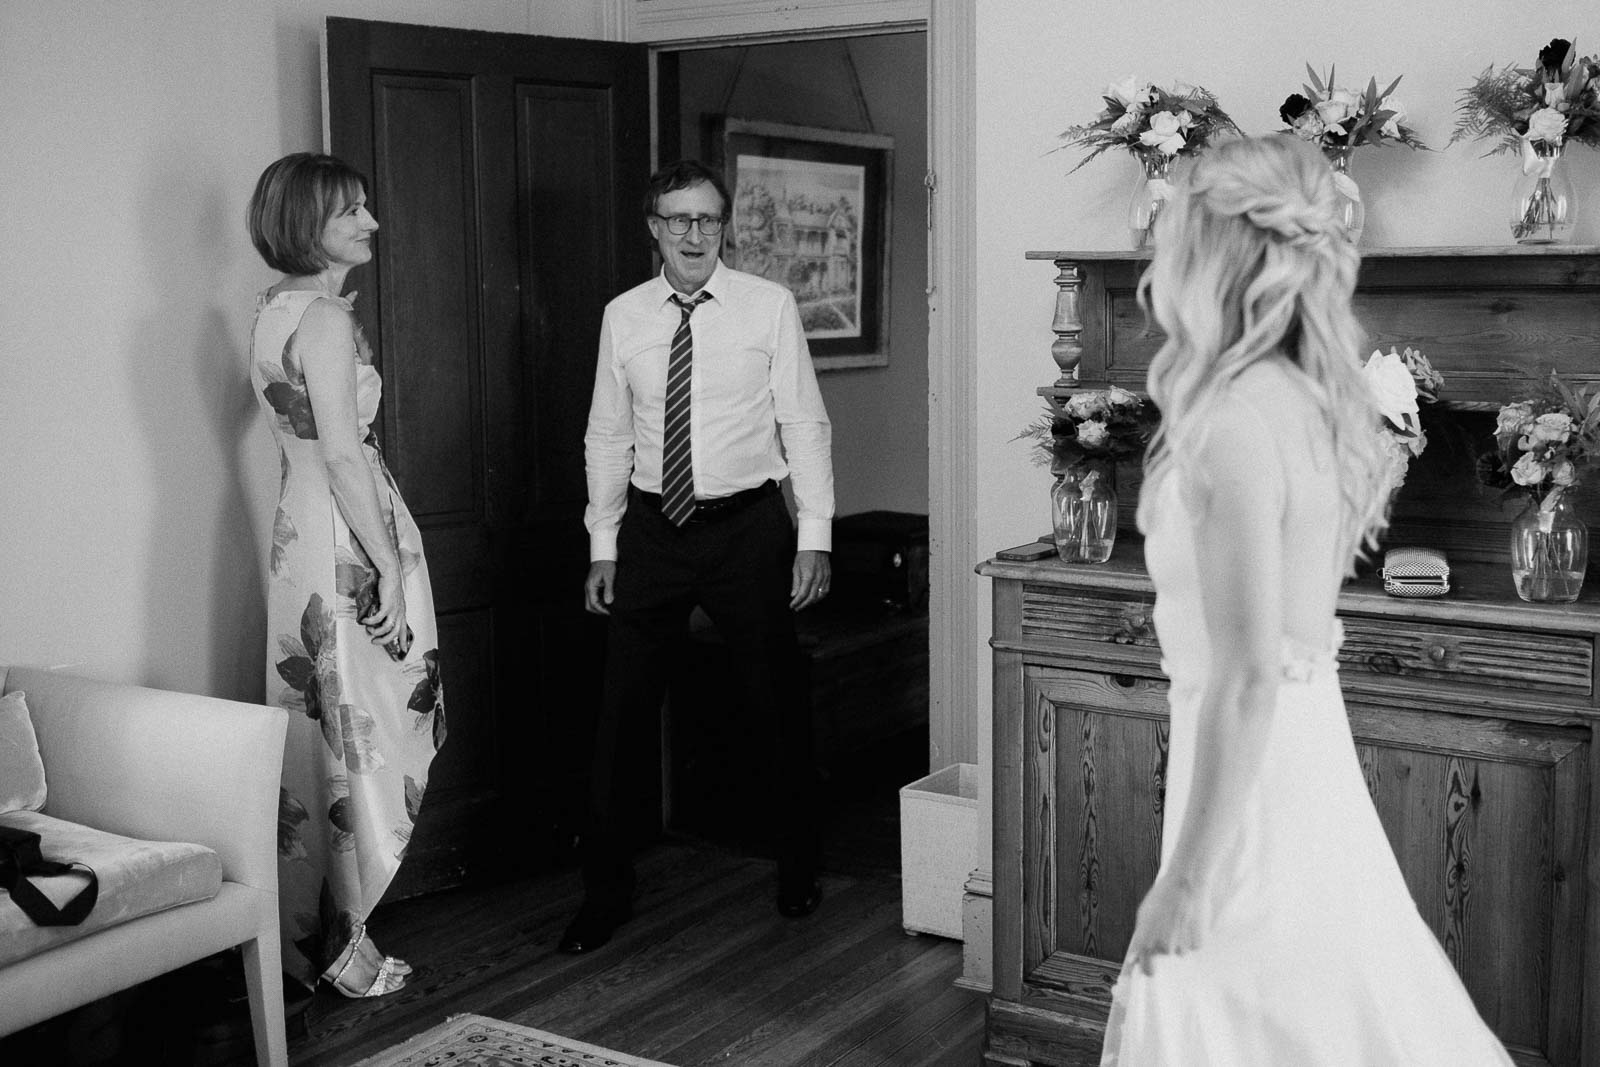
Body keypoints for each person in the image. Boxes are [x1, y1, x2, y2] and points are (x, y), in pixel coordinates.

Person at [1100, 135, 1512, 1065]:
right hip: (1298, 749)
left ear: (1219, 252)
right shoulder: (1308, 399)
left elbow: (1247, 676)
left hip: (1258, 779)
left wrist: (1187, 879)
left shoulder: (1234, 421)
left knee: (1243, 1019)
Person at [566, 158, 834, 954]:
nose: (693, 234)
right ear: (653, 227)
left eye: (707, 220)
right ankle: (604, 894)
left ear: (726, 227)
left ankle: (799, 866)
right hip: (651, 531)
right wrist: (604, 542)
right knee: (619, 714)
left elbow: (805, 424)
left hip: (747, 528)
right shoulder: (624, 316)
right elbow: (607, 433)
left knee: (774, 702)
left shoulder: (769, 308)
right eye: (677, 219)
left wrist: (814, 533)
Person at [246, 153, 446, 998]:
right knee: (361, 726)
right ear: (305, 227)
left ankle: (322, 936)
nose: (370, 222)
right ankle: (340, 943)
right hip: (343, 534)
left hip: (300, 531)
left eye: (365, 204)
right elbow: (339, 449)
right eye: (349, 213)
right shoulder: (322, 319)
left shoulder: (271, 309)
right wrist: (390, 570)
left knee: (324, 726)